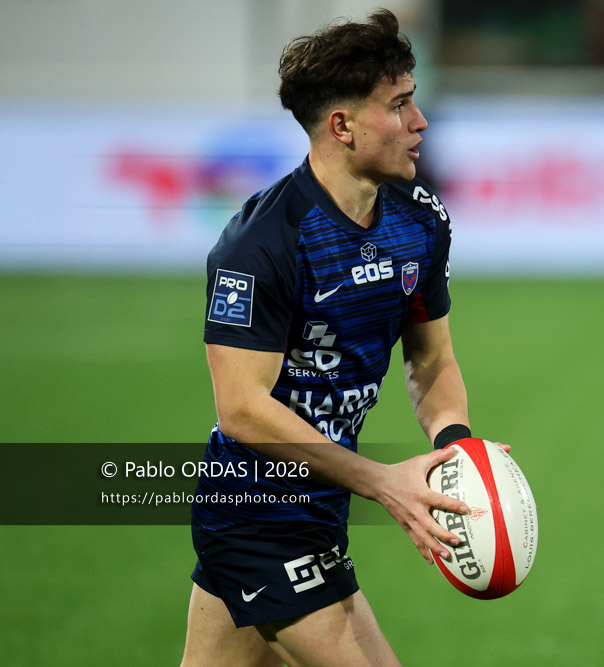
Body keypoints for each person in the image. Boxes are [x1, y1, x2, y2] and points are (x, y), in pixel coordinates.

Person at [181, 10, 490, 666]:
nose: (420, 122)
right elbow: (241, 409)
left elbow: (432, 358)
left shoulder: (421, 221)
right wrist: (382, 482)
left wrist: (455, 448)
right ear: (343, 126)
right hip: (256, 515)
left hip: (319, 508)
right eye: (399, 106)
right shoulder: (262, 243)